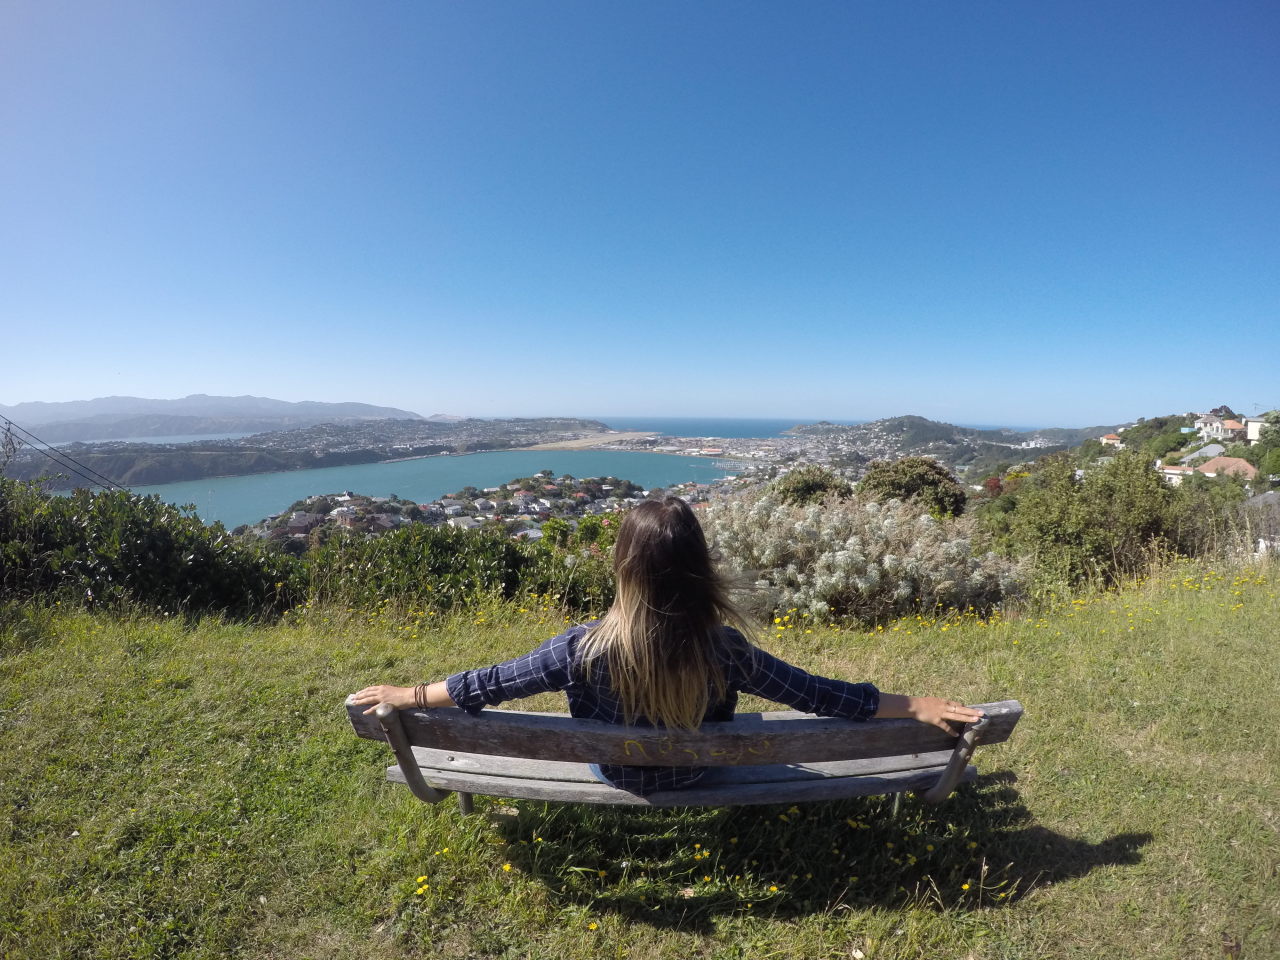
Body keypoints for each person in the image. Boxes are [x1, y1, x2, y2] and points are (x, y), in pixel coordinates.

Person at [351, 497, 984, 795]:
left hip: (617, 770)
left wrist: (407, 695)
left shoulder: (580, 649)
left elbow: (485, 686)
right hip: (700, 769)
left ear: (625, 567)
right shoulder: (726, 650)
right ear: (698, 565)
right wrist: (916, 706)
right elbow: (821, 697)